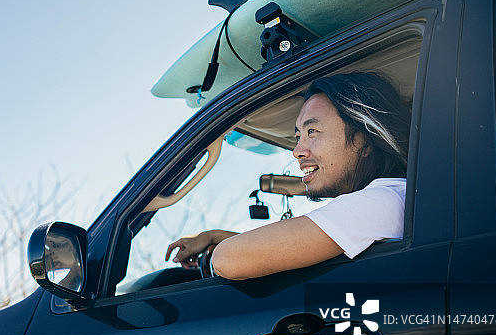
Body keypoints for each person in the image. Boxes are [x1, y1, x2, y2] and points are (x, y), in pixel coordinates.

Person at [165, 71, 410, 280]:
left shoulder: (379, 202)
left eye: (312, 131)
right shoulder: (391, 199)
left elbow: (228, 258)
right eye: (297, 137)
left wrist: (211, 257)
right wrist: (216, 236)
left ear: (363, 141)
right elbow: (293, 247)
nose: (297, 151)